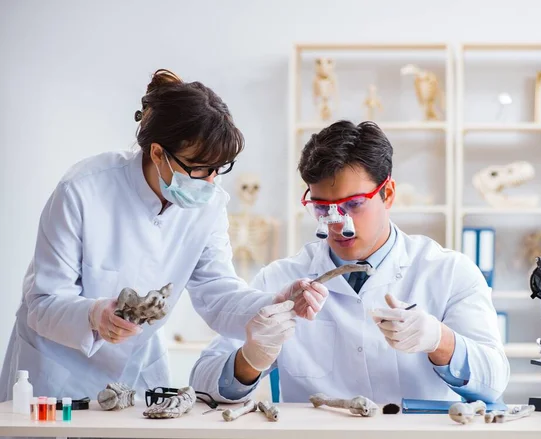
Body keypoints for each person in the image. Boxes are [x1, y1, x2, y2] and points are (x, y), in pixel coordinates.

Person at [0, 69, 327, 403]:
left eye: (219, 168)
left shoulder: (209, 205)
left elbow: (217, 294)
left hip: (135, 373)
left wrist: (275, 303)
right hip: (56, 375)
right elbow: (41, 304)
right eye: (198, 168)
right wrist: (95, 315)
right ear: (157, 153)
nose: (210, 182)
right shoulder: (83, 190)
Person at [190, 120, 510, 404]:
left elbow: (494, 382)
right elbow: (200, 380)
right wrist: (251, 358)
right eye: (322, 208)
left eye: (354, 204)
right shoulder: (281, 280)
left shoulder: (449, 272)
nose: (337, 223)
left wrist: (440, 340)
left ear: (388, 194)